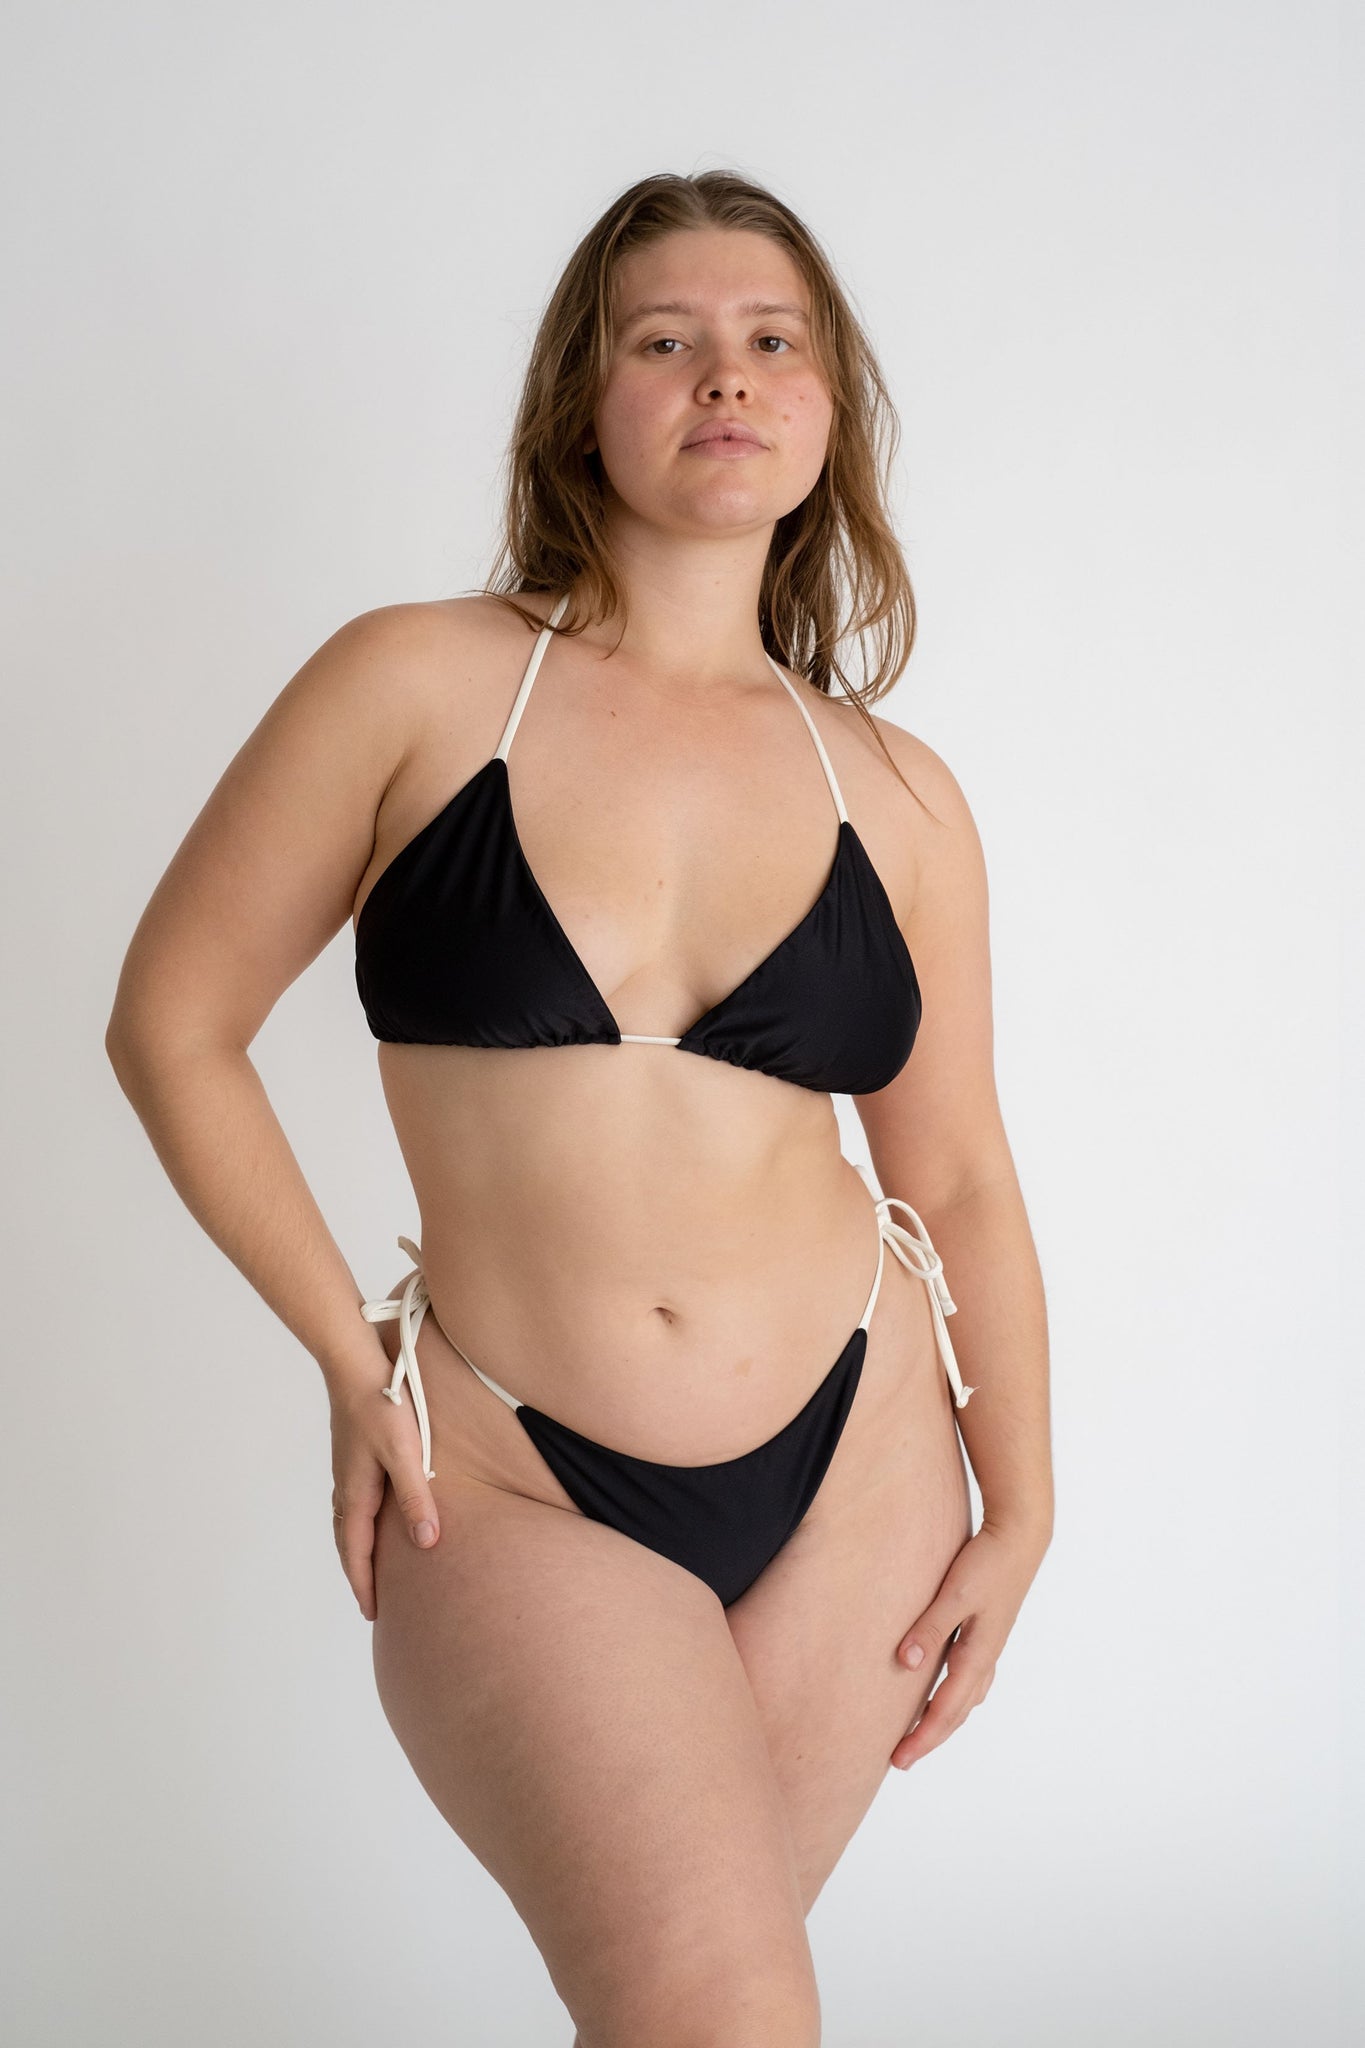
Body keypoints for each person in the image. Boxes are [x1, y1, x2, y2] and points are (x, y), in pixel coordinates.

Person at [106, 169, 1054, 2048]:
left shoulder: (901, 793)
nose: (726, 375)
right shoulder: (417, 684)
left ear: (827, 408)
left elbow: (952, 1168)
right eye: (666, 339)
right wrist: (347, 1361)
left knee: (695, 2014)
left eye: (773, 340)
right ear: (581, 401)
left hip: (855, 1465)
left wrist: (1021, 1502)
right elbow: (171, 1024)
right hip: (520, 1474)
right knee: (713, 2009)